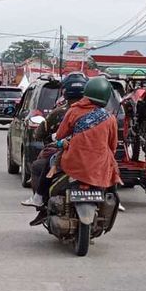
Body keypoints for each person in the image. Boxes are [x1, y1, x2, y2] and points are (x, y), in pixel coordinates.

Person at [28, 77, 120, 226]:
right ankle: (114, 199)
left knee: (46, 163)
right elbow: (112, 145)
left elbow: (58, 135)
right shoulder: (110, 118)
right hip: (98, 165)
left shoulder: (70, 111)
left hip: (72, 160)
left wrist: (59, 140)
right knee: (112, 167)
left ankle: (39, 199)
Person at [22, 73, 87, 208]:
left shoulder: (63, 112)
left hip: (67, 152)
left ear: (65, 92)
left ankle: (39, 199)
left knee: (40, 165)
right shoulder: (102, 114)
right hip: (94, 154)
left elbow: (49, 135)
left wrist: (56, 139)